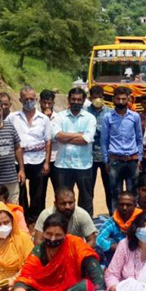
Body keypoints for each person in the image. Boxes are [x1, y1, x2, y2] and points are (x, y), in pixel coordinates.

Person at [8, 213, 104, 291]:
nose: (53, 239)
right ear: (43, 233)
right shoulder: (39, 251)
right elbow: (24, 279)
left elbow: (96, 273)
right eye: (49, 234)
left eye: (58, 235)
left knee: (86, 288)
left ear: (65, 235)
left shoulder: (75, 244)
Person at [7, 86, 52, 224]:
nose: (29, 101)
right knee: (20, 194)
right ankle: (22, 221)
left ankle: (35, 221)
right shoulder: (12, 117)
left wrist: (46, 162)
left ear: (36, 99)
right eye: (25, 99)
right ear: (20, 100)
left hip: (38, 160)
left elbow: (48, 142)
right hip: (18, 161)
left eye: (32, 99)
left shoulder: (43, 119)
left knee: (37, 194)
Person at [52, 87, 97, 216]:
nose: (76, 102)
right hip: (62, 165)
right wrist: (78, 135)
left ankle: (86, 227)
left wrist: (65, 137)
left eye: (79, 100)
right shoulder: (60, 116)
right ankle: (63, 225)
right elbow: (56, 135)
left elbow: (86, 139)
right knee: (63, 198)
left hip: (83, 165)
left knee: (86, 198)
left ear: (83, 101)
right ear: (69, 100)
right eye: (73, 99)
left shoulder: (90, 118)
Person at [101, 86, 143, 211]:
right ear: (113, 99)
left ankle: (132, 221)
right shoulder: (108, 117)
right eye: (118, 99)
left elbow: (139, 139)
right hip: (115, 160)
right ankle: (116, 221)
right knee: (115, 194)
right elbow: (104, 140)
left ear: (128, 99)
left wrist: (139, 158)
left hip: (132, 160)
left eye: (123, 99)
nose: (120, 102)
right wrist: (106, 160)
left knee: (133, 194)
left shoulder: (135, 117)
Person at [95, 191, 143, 265]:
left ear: (135, 206)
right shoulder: (112, 221)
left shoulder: (142, 219)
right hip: (116, 257)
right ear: (117, 205)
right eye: (121, 204)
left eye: (128, 205)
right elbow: (99, 240)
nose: (124, 208)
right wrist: (118, 247)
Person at [86, 86, 111, 209]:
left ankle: (113, 213)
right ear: (90, 98)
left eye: (100, 97)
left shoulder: (110, 112)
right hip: (89, 156)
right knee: (88, 188)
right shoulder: (85, 112)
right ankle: (88, 215)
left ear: (103, 98)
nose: (97, 100)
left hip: (106, 156)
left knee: (110, 187)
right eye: (95, 97)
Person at [39, 89, 60, 192]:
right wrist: (45, 118)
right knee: (40, 192)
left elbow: (57, 136)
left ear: (53, 103)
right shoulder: (36, 118)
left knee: (59, 190)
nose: (47, 106)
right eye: (44, 103)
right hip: (41, 159)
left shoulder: (59, 118)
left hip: (56, 159)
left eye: (49, 103)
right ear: (40, 102)